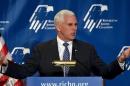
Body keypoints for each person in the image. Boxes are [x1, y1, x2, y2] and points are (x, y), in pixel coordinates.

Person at [0, 9, 130, 79]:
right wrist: (6, 64)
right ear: (58, 27)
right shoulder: (42, 49)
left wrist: (121, 59)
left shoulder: (87, 49)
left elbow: (106, 72)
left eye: (76, 24)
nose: (74, 28)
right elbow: (24, 72)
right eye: (70, 25)